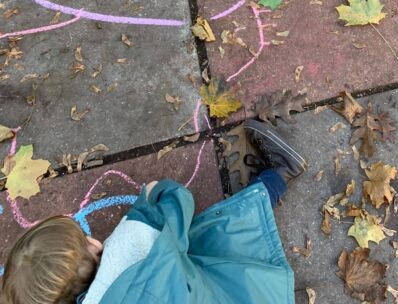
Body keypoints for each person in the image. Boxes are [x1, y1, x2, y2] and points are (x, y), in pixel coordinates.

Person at [1, 120, 306, 304]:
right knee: (210, 234)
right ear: (93, 247)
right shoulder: (130, 243)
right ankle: (278, 176)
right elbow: (173, 198)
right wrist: (148, 199)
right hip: (245, 295)